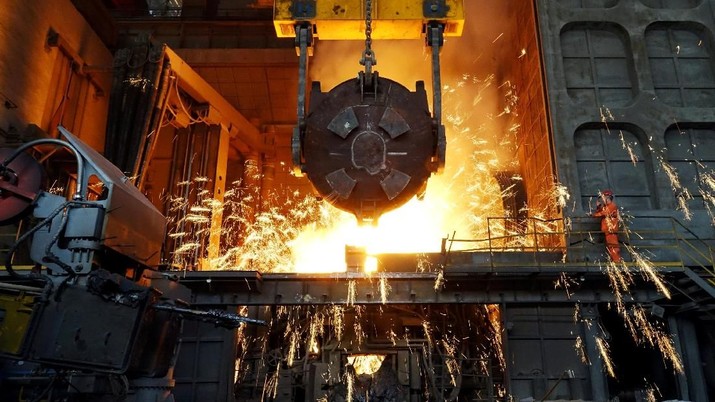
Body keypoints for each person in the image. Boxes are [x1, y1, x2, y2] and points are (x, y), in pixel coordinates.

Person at [591, 189, 622, 263]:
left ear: (608, 197)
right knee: (610, 246)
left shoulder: (612, 206)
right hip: (608, 230)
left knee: (613, 246)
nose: (602, 199)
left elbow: (603, 213)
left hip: (611, 230)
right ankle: (614, 261)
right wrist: (598, 207)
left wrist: (593, 215)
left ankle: (617, 261)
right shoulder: (606, 206)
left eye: (603, 197)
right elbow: (600, 212)